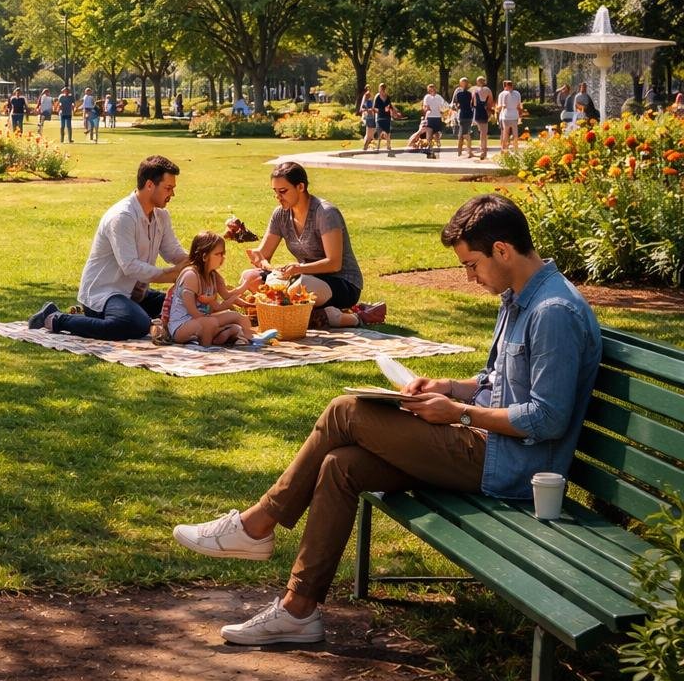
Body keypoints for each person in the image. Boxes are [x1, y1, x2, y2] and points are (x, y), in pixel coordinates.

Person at [174, 193, 601, 645]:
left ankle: (257, 524)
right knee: (341, 465)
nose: (470, 277)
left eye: (472, 265)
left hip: (510, 467)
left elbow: (547, 419)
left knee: (345, 411)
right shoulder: (518, 297)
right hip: (483, 444)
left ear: (502, 250)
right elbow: (495, 380)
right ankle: (298, 610)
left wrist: (458, 413)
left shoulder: (552, 312)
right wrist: (448, 387)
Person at [28, 156, 188, 340]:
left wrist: (200, 262)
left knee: (183, 306)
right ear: (150, 185)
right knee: (135, 324)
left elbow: (173, 252)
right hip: (105, 293)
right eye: (168, 188)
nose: (172, 194)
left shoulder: (161, 216)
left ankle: (139, 317)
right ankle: (55, 318)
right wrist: (170, 274)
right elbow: (130, 266)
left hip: (136, 293)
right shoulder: (123, 217)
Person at [241, 162, 383, 328]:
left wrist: (298, 269)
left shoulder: (325, 213)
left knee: (298, 289)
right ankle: (323, 316)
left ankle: (356, 317)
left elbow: (334, 263)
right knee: (249, 277)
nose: (278, 197)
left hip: (341, 282)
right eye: (275, 192)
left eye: (283, 191)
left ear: (300, 187)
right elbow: (264, 255)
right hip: (304, 277)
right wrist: (261, 259)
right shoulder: (280, 214)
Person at [152, 231, 275, 347]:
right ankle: (207, 346)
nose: (222, 258)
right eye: (218, 254)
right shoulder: (191, 276)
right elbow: (193, 312)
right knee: (211, 323)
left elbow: (227, 295)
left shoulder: (213, 276)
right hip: (182, 326)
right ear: (204, 256)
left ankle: (253, 338)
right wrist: (216, 320)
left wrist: (246, 285)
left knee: (237, 317)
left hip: (202, 321)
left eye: (223, 254)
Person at [420, 84, 449, 158]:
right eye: (430, 89)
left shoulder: (439, 97)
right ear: (428, 90)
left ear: (435, 89)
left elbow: (445, 105)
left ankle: (438, 144)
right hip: (429, 117)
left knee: (436, 134)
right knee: (429, 133)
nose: (431, 90)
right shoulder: (427, 97)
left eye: (433, 89)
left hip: (437, 117)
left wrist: (444, 110)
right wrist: (426, 109)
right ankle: (429, 149)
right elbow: (425, 106)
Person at [371, 85, 400, 156]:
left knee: (388, 132)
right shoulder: (377, 97)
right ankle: (378, 147)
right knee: (379, 132)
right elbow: (374, 108)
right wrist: (382, 111)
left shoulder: (388, 97)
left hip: (387, 117)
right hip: (380, 117)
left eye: (384, 89)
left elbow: (390, 106)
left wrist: (395, 113)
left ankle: (388, 146)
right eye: (381, 89)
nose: (382, 91)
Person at [497, 79, 523, 154]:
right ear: (512, 85)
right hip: (514, 115)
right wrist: (520, 114)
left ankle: (504, 150)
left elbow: (502, 106)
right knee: (515, 134)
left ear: (506, 86)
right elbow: (518, 105)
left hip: (506, 115)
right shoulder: (517, 93)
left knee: (505, 134)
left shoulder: (503, 94)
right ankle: (516, 150)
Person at [472, 76, 494, 159]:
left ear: (477, 82)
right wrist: (489, 112)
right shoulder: (487, 90)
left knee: (481, 131)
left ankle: (482, 149)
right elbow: (490, 102)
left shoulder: (475, 90)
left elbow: (473, 103)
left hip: (477, 112)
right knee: (484, 133)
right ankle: (483, 151)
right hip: (484, 112)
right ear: (484, 82)